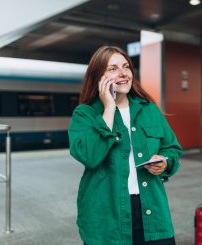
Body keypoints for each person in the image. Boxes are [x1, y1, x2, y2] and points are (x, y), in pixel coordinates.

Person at [68, 46, 182, 245]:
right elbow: (89, 156)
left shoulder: (149, 109)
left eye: (126, 67)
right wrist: (109, 108)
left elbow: (172, 148)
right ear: (98, 77)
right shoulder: (84, 114)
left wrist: (165, 163)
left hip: (152, 213)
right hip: (106, 218)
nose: (123, 73)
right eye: (112, 69)